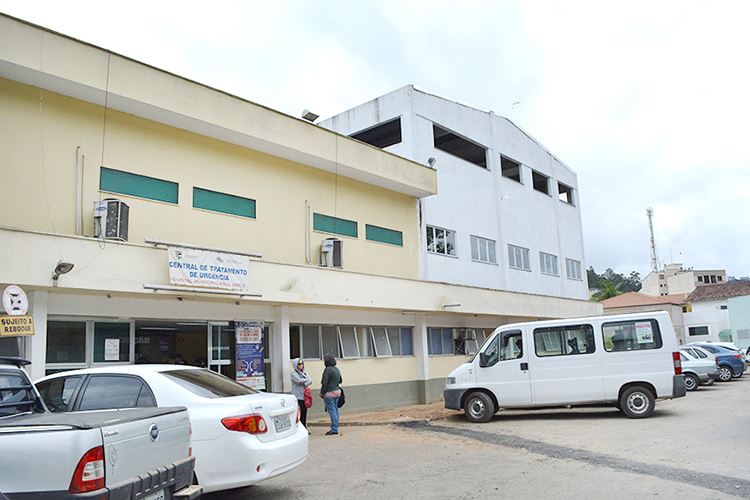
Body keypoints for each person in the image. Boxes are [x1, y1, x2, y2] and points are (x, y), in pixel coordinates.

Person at [319, 353, 342, 435]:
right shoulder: (337, 369)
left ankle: (334, 429)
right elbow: (340, 380)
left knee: (332, 411)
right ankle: (336, 427)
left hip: (329, 393)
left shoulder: (327, 370)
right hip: (337, 392)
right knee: (335, 410)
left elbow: (324, 383)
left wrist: (322, 393)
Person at [290, 358, 312, 429]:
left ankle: (304, 428)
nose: (301, 365)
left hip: (304, 396)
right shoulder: (293, 373)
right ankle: (299, 428)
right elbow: (298, 381)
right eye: (299, 364)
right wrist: (306, 380)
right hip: (298, 396)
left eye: (302, 363)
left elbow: (310, 381)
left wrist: (304, 382)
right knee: (299, 413)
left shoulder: (304, 373)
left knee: (304, 413)